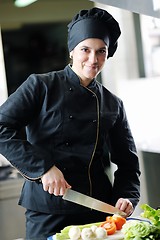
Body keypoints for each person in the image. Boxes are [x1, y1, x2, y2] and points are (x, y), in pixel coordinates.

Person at [0, 7, 140, 240]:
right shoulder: (41, 86)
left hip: (97, 210)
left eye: (101, 51)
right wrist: (42, 167)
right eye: (85, 50)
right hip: (48, 209)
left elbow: (128, 162)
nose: (93, 59)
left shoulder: (113, 103)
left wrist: (127, 196)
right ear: (72, 51)